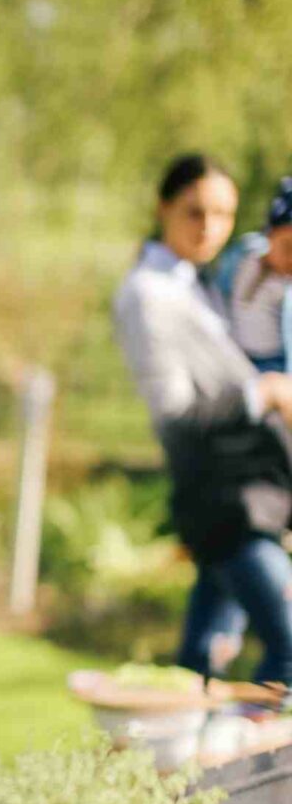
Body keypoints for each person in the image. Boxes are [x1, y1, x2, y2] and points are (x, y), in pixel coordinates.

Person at [114, 153, 292, 684]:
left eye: (223, 214)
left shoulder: (200, 281)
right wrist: (263, 393)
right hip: (223, 501)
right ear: (163, 207)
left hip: (249, 492)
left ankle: (171, 764)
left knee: (199, 669)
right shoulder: (149, 294)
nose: (209, 228)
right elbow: (173, 414)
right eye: (195, 212)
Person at [216, 176, 292, 372]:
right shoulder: (243, 255)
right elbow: (219, 288)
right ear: (269, 234)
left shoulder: (286, 286)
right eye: (288, 247)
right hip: (234, 352)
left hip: (273, 363)